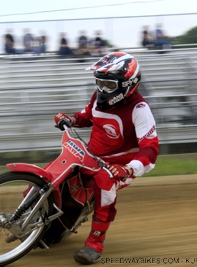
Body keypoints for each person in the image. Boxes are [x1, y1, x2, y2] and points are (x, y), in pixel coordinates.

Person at [54, 52, 159, 265]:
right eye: (99, 83)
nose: (102, 89)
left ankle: (95, 244)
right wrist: (70, 119)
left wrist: (129, 169)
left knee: (104, 180)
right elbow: (87, 116)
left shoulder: (139, 109)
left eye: (108, 85)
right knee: (58, 169)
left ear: (127, 85)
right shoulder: (98, 97)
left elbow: (150, 149)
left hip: (120, 165)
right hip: (91, 155)